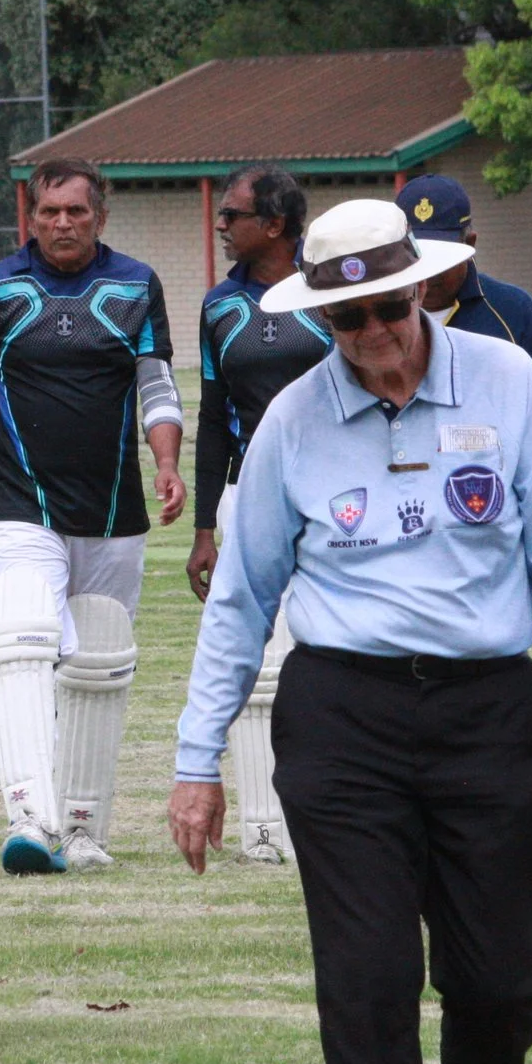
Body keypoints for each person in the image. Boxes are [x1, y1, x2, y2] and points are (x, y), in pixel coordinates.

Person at [167, 199, 532, 1064]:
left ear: (422, 289)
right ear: (321, 318)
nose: (372, 332)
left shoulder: (507, 382)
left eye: (387, 307)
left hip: (488, 707)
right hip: (343, 716)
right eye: (346, 316)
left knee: (504, 978)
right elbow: (240, 598)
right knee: (366, 975)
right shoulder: (291, 422)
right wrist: (195, 759)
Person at [0, 157, 187, 874]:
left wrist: (167, 463)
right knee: (24, 635)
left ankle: (82, 827)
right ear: (31, 217)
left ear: (99, 216)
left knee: (95, 661)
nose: (62, 223)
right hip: (24, 505)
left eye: (76, 211)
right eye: (49, 211)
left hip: (114, 512)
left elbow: (157, 385)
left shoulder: (135, 285)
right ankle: (29, 816)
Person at [183, 163, 331, 864]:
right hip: (248, 496)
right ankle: (264, 827)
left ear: (274, 225)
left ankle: (324, 808)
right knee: (252, 653)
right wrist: (204, 529)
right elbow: (214, 418)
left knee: (321, 651)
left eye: (233, 215)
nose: (221, 225)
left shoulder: (329, 292)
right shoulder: (220, 305)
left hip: (332, 495)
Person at [400, 173, 532, 441]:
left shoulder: (515, 311)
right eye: (416, 252)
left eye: (442, 255)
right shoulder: (367, 318)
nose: (430, 270)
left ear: (470, 243)